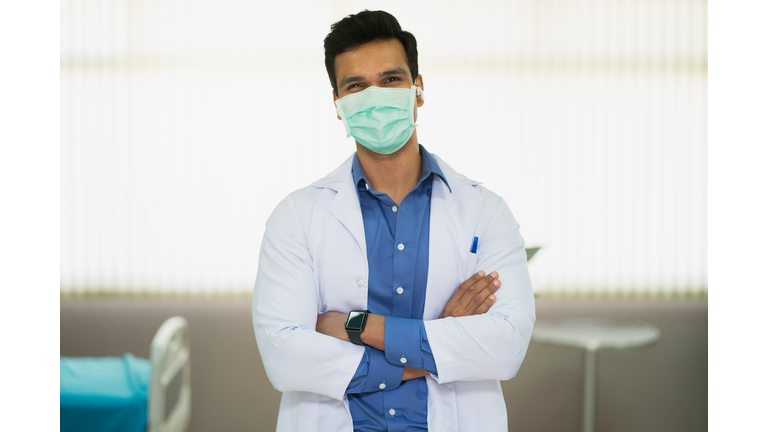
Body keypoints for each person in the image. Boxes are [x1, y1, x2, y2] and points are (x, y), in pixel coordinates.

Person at [252, 10, 535, 432]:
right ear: (338, 106)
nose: (374, 96)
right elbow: (285, 358)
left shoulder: (485, 210)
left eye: (390, 80)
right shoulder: (296, 217)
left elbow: (506, 345)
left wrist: (357, 326)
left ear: (418, 90)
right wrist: (436, 341)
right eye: (356, 86)